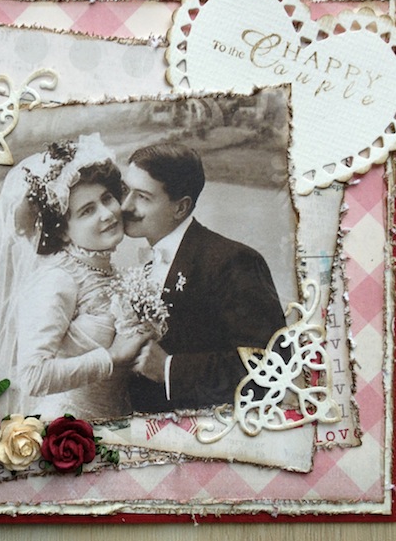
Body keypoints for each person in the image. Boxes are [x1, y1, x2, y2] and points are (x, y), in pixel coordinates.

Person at [0, 134, 149, 420]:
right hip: (68, 425)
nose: (107, 214)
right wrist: (112, 358)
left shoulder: (109, 270)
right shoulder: (57, 279)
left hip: (117, 419)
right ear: (62, 231)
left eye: (107, 199)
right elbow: (32, 376)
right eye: (87, 211)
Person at [121, 142, 288, 413]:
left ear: (181, 208)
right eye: (125, 190)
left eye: (143, 197)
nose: (125, 205)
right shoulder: (149, 264)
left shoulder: (233, 261)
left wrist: (169, 369)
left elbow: (270, 368)